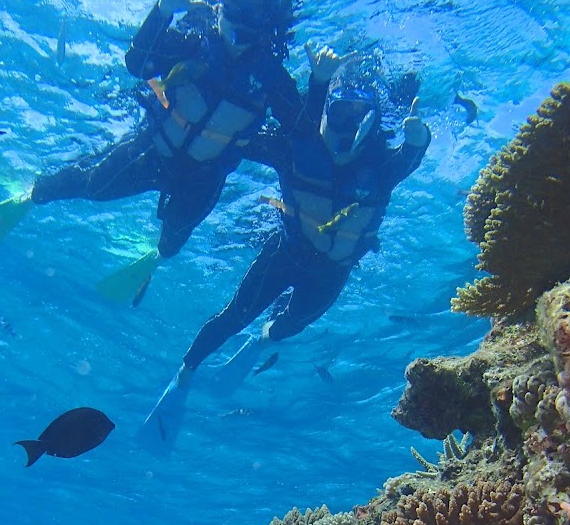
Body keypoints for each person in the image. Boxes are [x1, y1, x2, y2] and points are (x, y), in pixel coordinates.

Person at [0, 0, 329, 304]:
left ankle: (156, 256)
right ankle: (35, 194)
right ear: (219, 6)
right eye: (233, 4)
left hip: (203, 177)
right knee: (95, 185)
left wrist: (319, 85)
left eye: (254, 13)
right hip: (153, 150)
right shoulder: (194, 44)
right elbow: (137, 62)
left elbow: (302, 134)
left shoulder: (270, 78)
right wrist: (164, 9)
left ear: (266, 26)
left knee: (174, 240)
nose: (240, 22)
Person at [142, 65, 431, 444]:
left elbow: (410, 157)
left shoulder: (382, 167)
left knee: (290, 325)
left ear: (372, 125)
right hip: (284, 254)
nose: (346, 129)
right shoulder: (292, 149)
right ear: (324, 113)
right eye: (339, 114)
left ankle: (261, 340)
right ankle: (183, 376)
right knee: (233, 315)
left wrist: (419, 141)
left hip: (331, 273)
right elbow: (232, 134)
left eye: (358, 119)